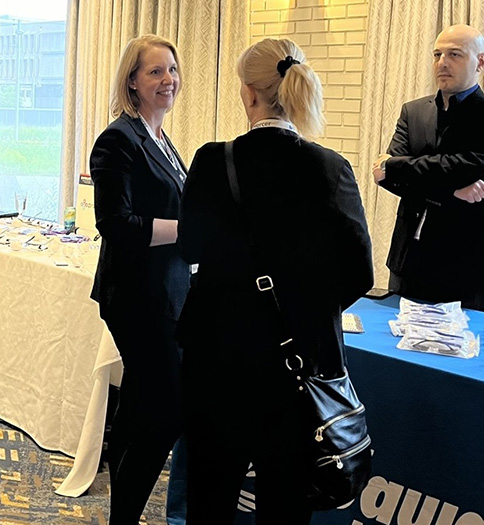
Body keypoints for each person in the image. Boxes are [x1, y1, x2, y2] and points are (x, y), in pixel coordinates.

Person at [177, 38, 373, 524]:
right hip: (299, 366)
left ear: (248, 95)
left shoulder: (211, 161)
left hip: (217, 360)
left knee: (210, 498)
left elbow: (189, 249)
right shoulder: (331, 168)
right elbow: (360, 272)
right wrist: (306, 307)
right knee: (286, 504)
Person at [89, 35, 190, 524]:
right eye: (155, 71)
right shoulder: (118, 138)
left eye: (171, 69)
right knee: (167, 409)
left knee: (138, 407)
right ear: (132, 80)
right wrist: (189, 231)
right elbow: (115, 225)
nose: (167, 79)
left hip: (168, 291)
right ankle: (125, 514)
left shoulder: (162, 138)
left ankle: (120, 516)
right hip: (134, 295)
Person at [373, 24, 484, 314]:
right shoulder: (412, 111)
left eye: (455, 54)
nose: (442, 63)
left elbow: (467, 165)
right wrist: (453, 188)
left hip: (474, 271)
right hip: (410, 264)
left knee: (471, 357)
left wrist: (396, 166)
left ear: (481, 62)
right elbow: (388, 180)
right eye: (437, 54)